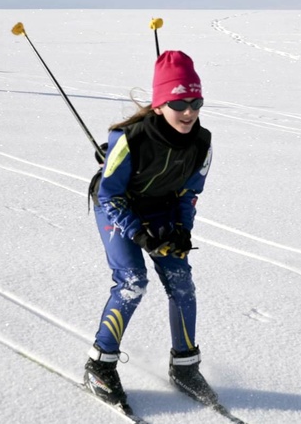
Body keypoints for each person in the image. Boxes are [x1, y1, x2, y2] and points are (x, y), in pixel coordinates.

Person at [83, 50, 215, 413]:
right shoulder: (131, 139)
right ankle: (100, 365)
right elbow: (110, 194)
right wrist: (139, 234)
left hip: (160, 208)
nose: (189, 111)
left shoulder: (202, 142)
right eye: (180, 103)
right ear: (160, 104)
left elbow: (190, 192)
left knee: (181, 281)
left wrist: (181, 232)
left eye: (196, 102)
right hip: (117, 207)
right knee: (132, 281)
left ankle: (185, 366)